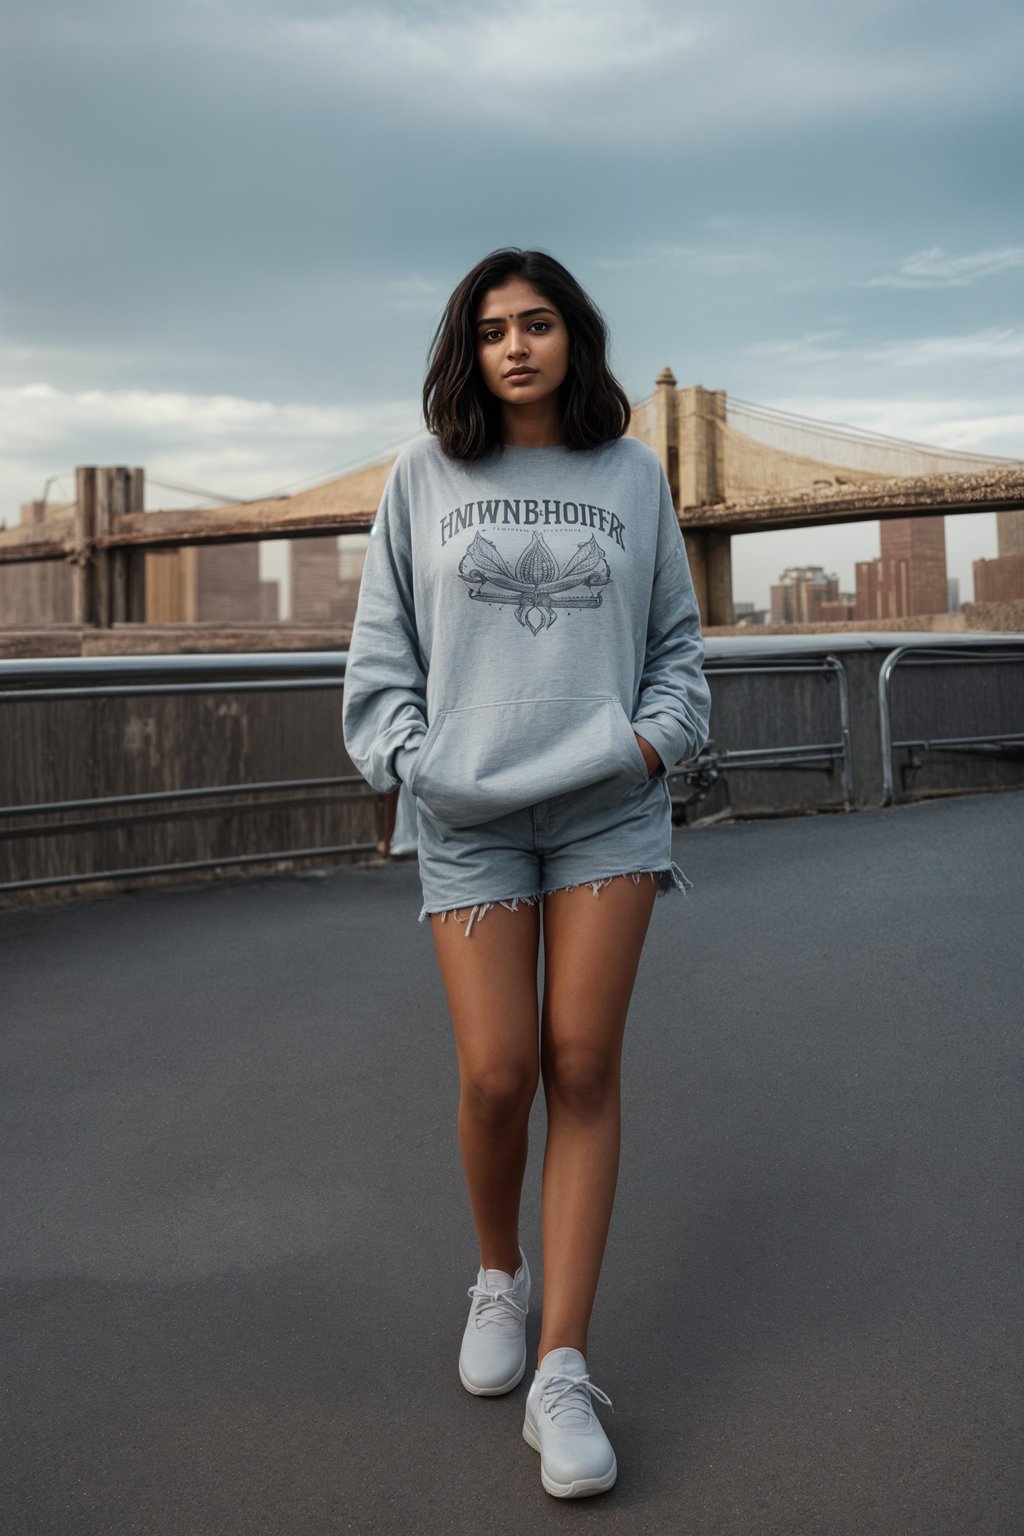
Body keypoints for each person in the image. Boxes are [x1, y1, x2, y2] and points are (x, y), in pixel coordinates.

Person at [342, 247, 711, 1499]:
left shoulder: (632, 475)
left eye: (539, 322)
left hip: (606, 808)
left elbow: (678, 654)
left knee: (581, 1066)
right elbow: (378, 662)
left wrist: (650, 741)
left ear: (573, 338)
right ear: (469, 346)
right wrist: (414, 760)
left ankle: (563, 1367)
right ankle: (497, 1274)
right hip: (469, 818)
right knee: (499, 1074)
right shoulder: (420, 477)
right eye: (493, 327)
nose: (516, 345)